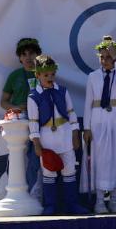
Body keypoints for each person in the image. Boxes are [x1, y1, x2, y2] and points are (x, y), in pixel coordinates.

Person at [27, 55, 87, 215]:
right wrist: (36, 143)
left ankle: (72, 204)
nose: (50, 78)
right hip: (46, 137)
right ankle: (50, 205)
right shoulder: (33, 96)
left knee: (69, 171)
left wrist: (75, 134)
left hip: (65, 134)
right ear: (38, 75)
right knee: (48, 173)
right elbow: (33, 122)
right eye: (46, 75)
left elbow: (71, 113)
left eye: (52, 74)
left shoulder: (63, 91)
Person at [83, 35, 116, 214]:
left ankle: (113, 199)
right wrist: (87, 127)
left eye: (108, 57)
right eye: (102, 57)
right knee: (101, 159)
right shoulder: (93, 76)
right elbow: (88, 102)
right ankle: (99, 200)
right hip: (99, 121)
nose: (105, 61)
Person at [1, 38, 43, 197]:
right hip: (19, 120)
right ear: (19, 57)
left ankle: (34, 194)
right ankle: (14, 193)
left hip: (39, 119)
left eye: (31, 53)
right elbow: (3, 101)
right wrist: (15, 108)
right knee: (17, 157)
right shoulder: (14, 76)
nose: (28, 57)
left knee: (35, 158)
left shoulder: (44, 73)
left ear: (38, 55)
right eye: (24, 54)